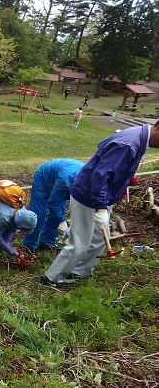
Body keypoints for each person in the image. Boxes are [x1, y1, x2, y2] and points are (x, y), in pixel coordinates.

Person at [41, 122, 159, 288]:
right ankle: (51, 279)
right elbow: (100, 176)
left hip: (99, 197)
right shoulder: (128, 145)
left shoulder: (139, 139)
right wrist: (101, 206)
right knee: (79, 244)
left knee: (99, 239)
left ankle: (80, 272)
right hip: (88, 197)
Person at [22, 159, 84, 253]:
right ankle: (29, 246)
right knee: (37, 214)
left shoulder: (88, 183)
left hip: (61, 178)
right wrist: (62, 221)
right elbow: (53, 202)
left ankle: (46, 243)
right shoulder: (65, 181)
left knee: (57, 214)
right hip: (43, 177)